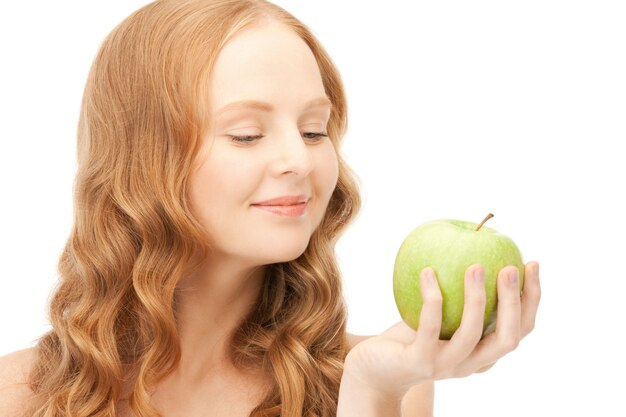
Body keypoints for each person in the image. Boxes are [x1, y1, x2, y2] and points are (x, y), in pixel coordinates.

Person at [0, 1, 541, 416]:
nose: (298, 159)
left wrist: (371, 390)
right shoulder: (19, 395)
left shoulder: (383, 379)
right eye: (246, 134)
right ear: (142, 160)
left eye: (313, 129)